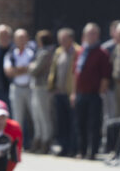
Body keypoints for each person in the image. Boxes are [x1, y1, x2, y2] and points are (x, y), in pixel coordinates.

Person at [73, 22, 112, 159]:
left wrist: (100, 92)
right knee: (80, 123)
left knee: (94, 124)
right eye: (89, 33)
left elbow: (105, 76)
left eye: (94, 33)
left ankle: (92, 151)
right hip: (80, 93)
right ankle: (82, 150)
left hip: (94, 94)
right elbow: (76, 73)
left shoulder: (102, 53)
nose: (91, 36)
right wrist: (74, 92)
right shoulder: (81, 51)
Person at [48, 27, 80, 156]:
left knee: (72, 122)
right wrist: (52, 86)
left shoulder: (78, 51)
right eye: (60, 39)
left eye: (64, 39)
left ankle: (73, 148)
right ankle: (64, 147)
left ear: (71, 39)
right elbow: (53, 70)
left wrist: (74, 91)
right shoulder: (58, 52)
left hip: (71, 93)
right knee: (61, 122)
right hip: (59, 92)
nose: (61, 42)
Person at [3, 28, 36, 150]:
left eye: (24, 38)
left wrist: (18, 69)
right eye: (19, 38)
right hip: (17, 88)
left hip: (30, 88)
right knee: (18, 118)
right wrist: (24, 69)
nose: (21, 41)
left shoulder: (32, 53)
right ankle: (17, 144)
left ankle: (34, 142)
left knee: (34, 117)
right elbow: (9, 72)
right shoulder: (11, 54)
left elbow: (34, 69)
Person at [28, 29, 55, 154]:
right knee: (37, 116)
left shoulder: (46, 53)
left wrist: (30, 65)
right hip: (37, 87)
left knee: (44, 116)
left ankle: (46, 141)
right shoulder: (42, 52)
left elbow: (35, 70)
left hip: (43, 87)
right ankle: (38, 140)